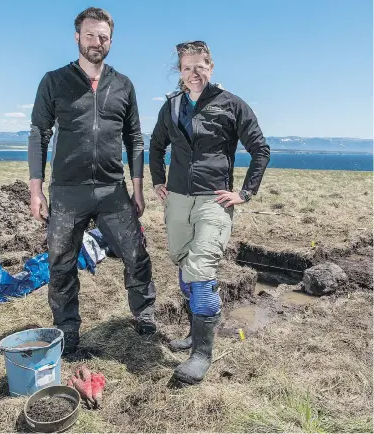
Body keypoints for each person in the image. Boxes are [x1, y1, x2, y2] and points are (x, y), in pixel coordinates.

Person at [28, 7, 156, 355]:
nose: (96, 42)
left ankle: (144, 313)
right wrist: (36, 190)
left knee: (136, 254)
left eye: (103, 37)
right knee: (61, 263)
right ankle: (67, 330)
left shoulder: (123, 85)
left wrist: (138, 187)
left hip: (113, 190)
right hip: (68, 192)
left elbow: (135, 138)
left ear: (110, 41)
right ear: (77, 38)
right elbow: (40, 133)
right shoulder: (54, 81)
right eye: (90, 35)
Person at [149, 41, 270, 384]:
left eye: (199, 66)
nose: (194, 74)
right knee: (182, 261)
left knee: (201, 267)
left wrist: (245, 193)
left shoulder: (231, 104)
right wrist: (159, 180)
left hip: (214, 201)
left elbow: (260, 150)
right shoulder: (171, 106)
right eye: (187, 68)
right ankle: (194, 330)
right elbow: (157, 145)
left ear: (211, 66)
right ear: (180, 72)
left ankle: (201, 353)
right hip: (177, 199)